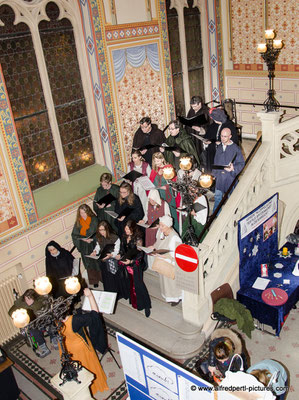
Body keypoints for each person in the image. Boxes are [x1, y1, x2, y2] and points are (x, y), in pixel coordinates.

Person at [60, 288, 109, 396]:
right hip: (80, 347)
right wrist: (90, 296)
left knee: (75, 367)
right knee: (88, 365)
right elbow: (95, 315)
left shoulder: (55, 320)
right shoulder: (75, 320)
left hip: (66, 346)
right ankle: (94, 385)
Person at [116, 220, 151, 317]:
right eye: (125, 228)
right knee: (130, 283)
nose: (126, 230)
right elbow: (122, 249)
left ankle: (146, 305)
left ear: (132, 228)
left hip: (136, 264)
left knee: (139, 285)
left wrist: (131, 262)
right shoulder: (124, 237)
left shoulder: (138, 238)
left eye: (128, 228)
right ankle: (133, 299)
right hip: (126, 262)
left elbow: (140, 254)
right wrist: (120, 255)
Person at [9, 289, 55, 357]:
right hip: (32, 324)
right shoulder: (22, 304)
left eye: (29, 299)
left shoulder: (40, 302)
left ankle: (53, 338)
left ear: (34, 298)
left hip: (43, 320)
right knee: (34, 332)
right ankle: (44, 348)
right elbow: (11, 311)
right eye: (26, 299)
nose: (27, 301)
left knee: (50, 323)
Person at [149, 216, 182, 306]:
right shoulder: (161, 232)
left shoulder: (175, 238)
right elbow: (158, 242)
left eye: (162, 226)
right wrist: (153, 247)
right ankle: (168, 295)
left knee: (171, 283)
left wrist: (163, 257)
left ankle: (176, 297)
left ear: (168, 226)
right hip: (162, 262)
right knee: (165, 282)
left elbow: (177, 256)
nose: (160, 227)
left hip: (171, 264)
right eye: (160, 225)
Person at [89, 221, 127, 299]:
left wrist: (111, 255)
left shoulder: (115, 237)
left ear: (107, 229)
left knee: (114, 279)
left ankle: (118, 295)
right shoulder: (99, 237)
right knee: (107, 280)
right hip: (104, 261)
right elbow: (98, 246)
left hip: (112, 261)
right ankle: (110, 295)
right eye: (100, 230)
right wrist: (95, 251)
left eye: (103, 230)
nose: (101, 232)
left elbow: (117, 250)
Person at [212, 128, 245, 212]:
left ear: (230, 136)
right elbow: (216, 160)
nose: (222, 138)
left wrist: (233, 168)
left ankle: (233, 215)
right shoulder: (219, 146)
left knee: (232, 200)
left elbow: (241, 163)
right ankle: (215, 215)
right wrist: (214, 174)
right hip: (220, 178)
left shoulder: (236, 148)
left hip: (230, 178)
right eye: (221, 136)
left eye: (225, 136)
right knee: (217, 198)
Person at [71, 204, 101, 287]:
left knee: (97, 262)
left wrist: (92, 239)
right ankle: (94, 280)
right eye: (81, 213)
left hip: (93, 244)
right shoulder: (78, 222)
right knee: (88, 263)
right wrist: (83, 239)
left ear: (88, 212)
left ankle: (102, 278)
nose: (83, 215)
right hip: (84, 245)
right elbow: (74, 234)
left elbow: (98, 232)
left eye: (84, 213)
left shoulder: (94, 219)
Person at [203, 108, 238, 173]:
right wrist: (206, 141)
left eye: (214, 119)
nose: (214, 120)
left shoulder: (229, 125)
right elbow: (207, 136)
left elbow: (234, 141)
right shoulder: (213, 124)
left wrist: (222, 143)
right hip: (213, 150)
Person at [185, 95, 211, 161]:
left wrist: (201, 129)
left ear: (200, 103)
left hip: (201, 139)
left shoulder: (207, 111)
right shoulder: (191, 111)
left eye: (195, 106)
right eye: (192, 106)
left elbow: (211, 125)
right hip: (192, 137)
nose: (193, 108)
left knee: (203, 157)